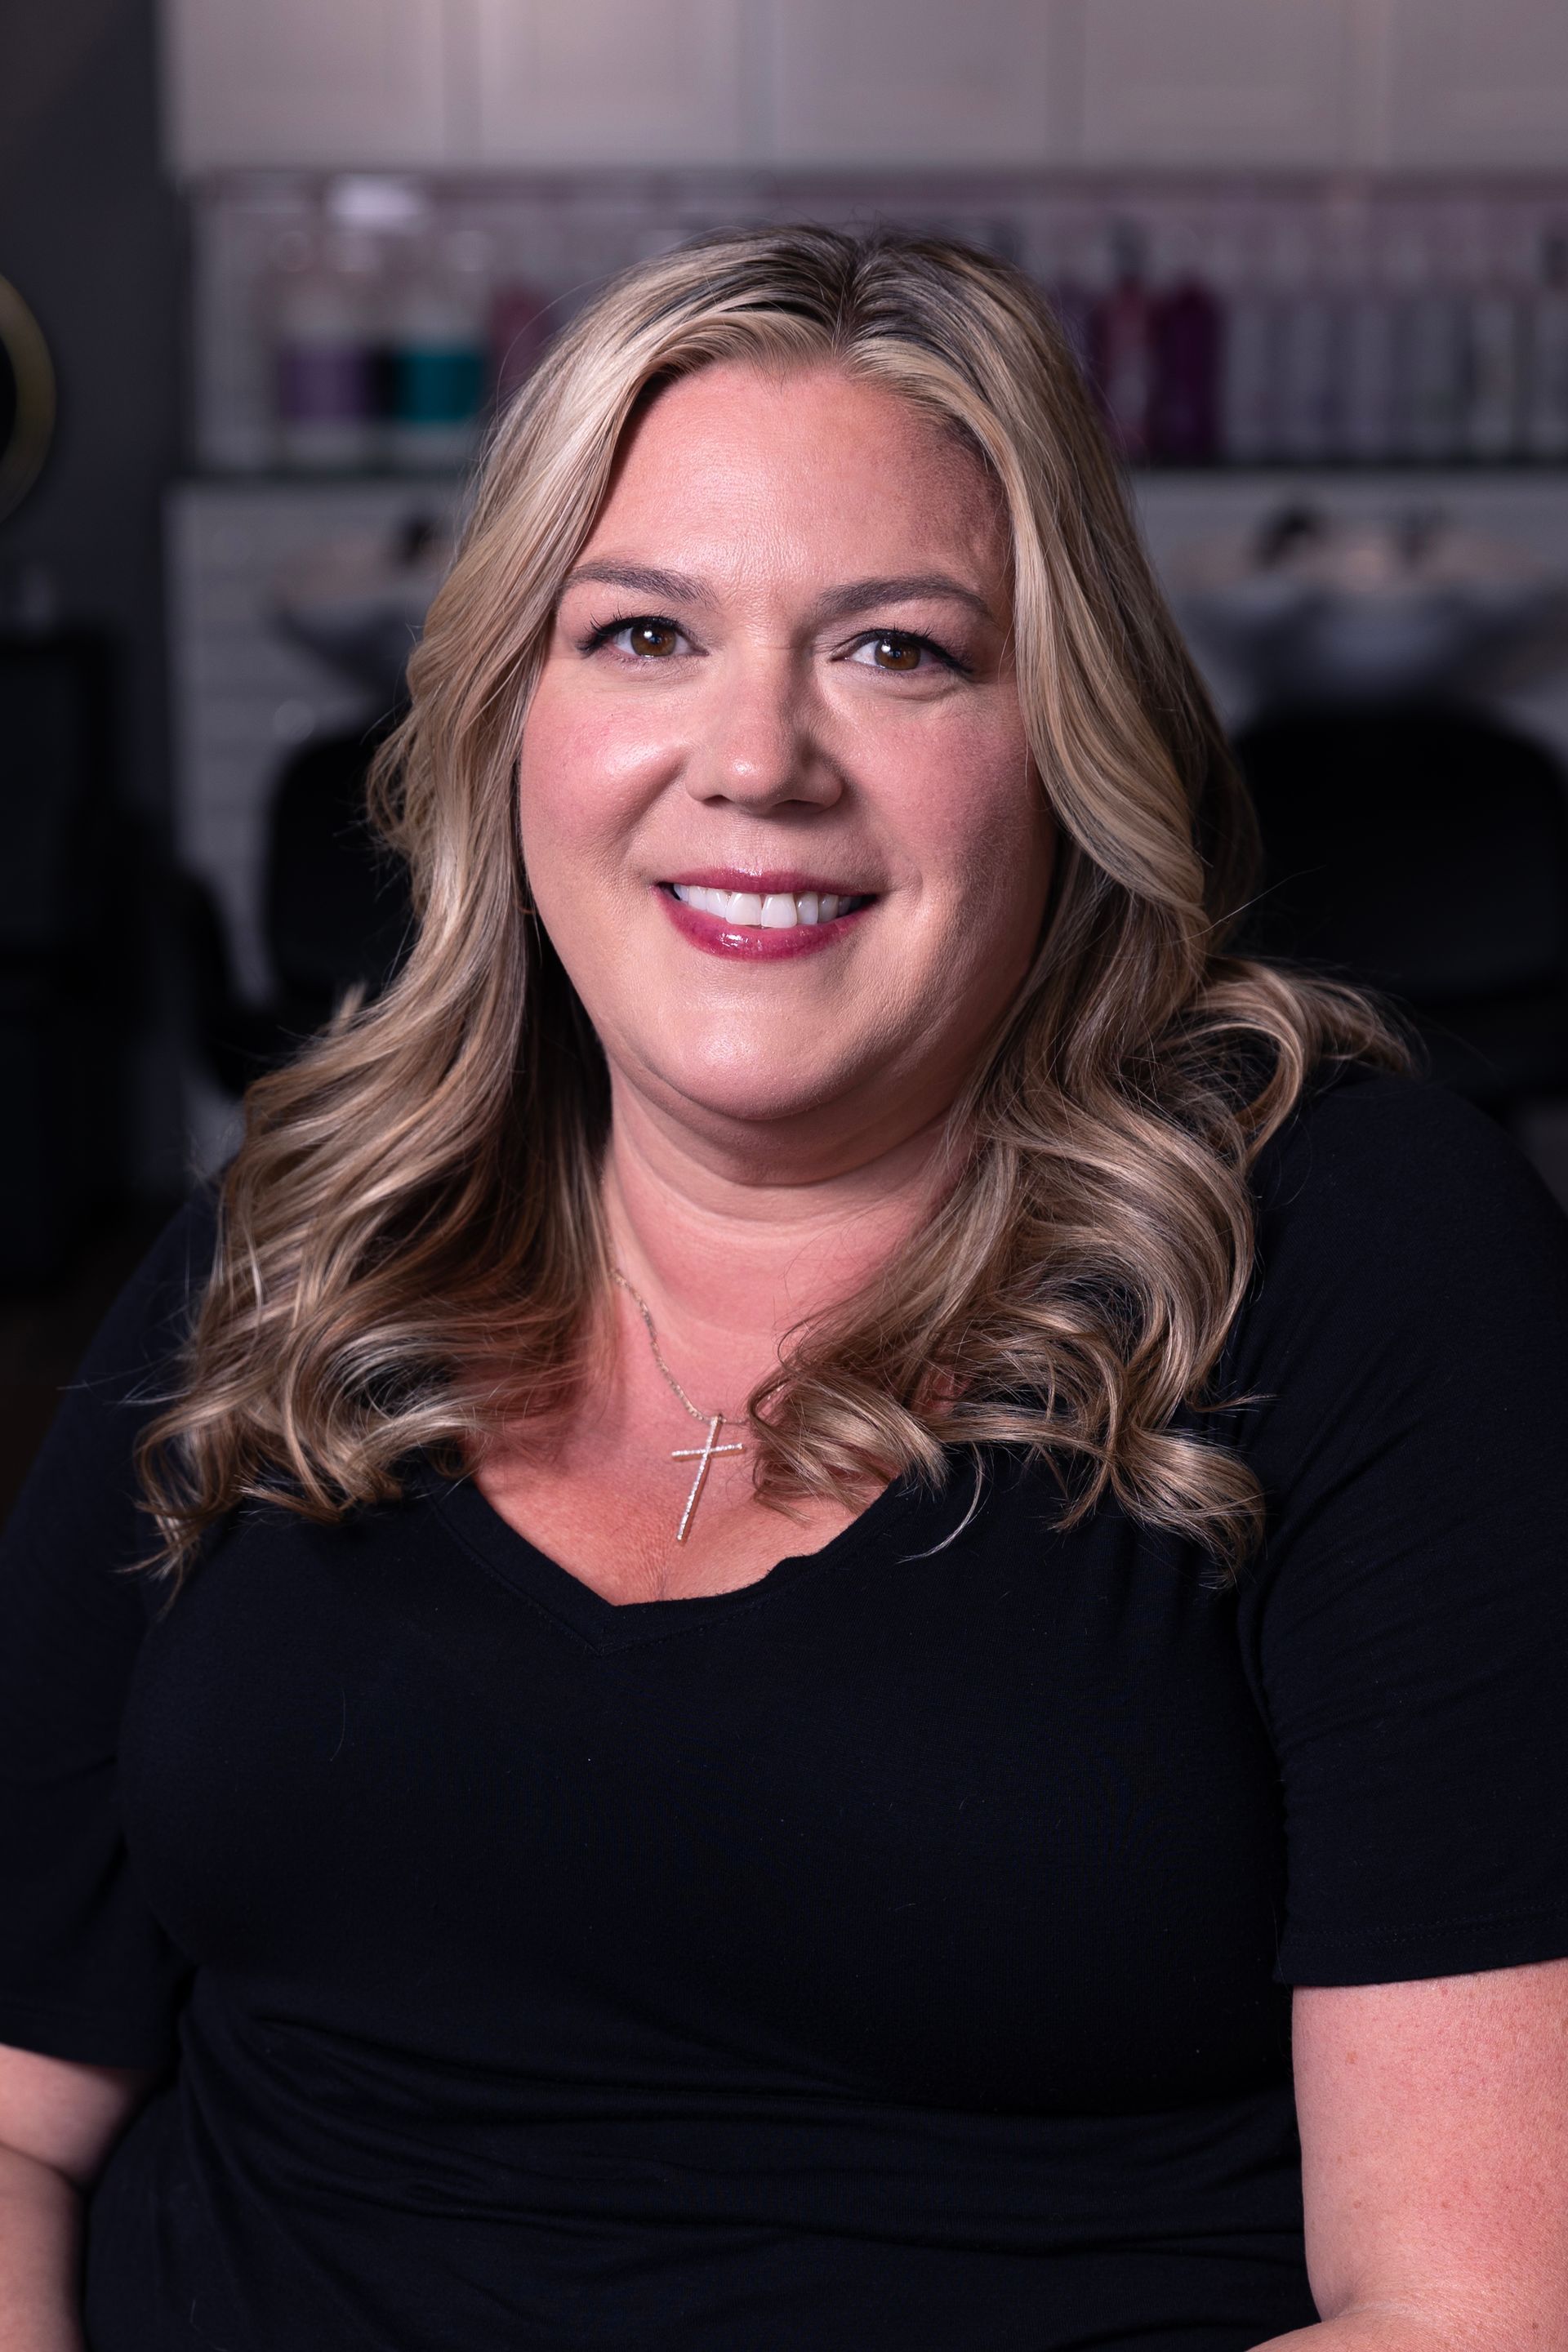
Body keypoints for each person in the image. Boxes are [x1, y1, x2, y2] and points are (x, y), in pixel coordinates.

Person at [2, 227, 1566, 2352]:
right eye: (643, 631)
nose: (757, 758)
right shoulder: (303, 1233)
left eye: (899, 653)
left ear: (1068, 747)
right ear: (511, 720)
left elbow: (1480, 2310)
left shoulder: (1358, 1261)